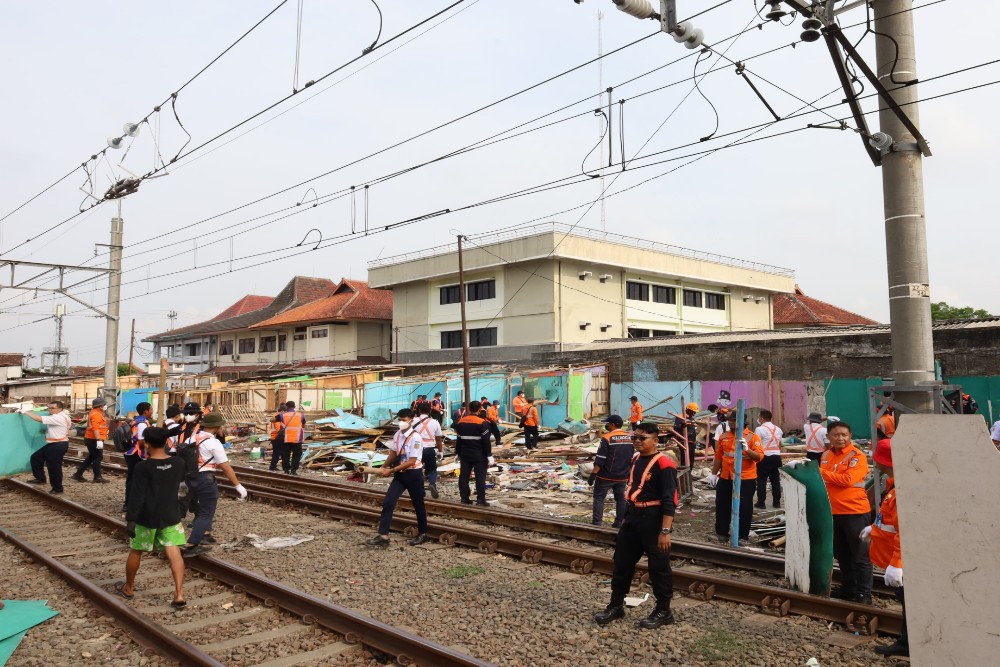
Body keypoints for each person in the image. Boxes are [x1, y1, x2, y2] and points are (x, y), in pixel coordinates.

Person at [593, 422, 677, 629]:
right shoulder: (636, 459)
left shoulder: (664, 464)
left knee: (658, 567)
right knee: (622, 562)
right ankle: (616, 605)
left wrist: (665, 531)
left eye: (642, 438)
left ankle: (664, 610)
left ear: (656, 441)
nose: (637, 441)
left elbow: (670, 500)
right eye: (635, 438)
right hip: (633, 516)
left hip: (654, 518)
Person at [118, 427, 187, 607]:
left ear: (146, 444)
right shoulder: (178, 462)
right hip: (171, 514)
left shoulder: (143, 466)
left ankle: (129, 587)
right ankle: (179, 594)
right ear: (165, 442)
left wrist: (131, 519)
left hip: (146, 517)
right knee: (174, 553)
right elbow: (183, 487)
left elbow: (137, 494)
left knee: (136, 551)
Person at [818, 420, 873, 604]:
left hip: (854, 511)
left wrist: (820, 473)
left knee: (860, 555)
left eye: (844, 435)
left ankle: (864, 593)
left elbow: (847, 479)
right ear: (829, 437)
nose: (840, 438)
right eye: (836, 435)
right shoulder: (826, 455)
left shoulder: (857, 456)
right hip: (833, 512)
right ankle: (849, 588)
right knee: (841, 553)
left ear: (850, 436)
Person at [862, 438, 908, 657]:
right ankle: (907, 642)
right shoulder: (895, 485)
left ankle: (909, 644)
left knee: (911, 603)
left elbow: (905, 530)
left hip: (901, 562)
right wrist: (875, 529)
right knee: (907, 602)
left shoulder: (900, 491)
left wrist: (897, 564)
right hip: (894, 557)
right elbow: (891, 521)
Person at [180, 411, 247, 557]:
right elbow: (225, 466)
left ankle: (205, 535)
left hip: (190, 479)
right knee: (206, 512)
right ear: (217, 427)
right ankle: (192, 544)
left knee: (200, 508)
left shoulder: (191, 438)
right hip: (205, 479)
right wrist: (237, 485)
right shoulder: (213, 443)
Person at [367, 409, 429, 547]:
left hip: (413, 475)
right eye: (399, 419)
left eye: (404, 419)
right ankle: (383, 536)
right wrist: (383, 467)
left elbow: (412, 461)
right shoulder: (398, 434)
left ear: (411, 420)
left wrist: (391, 470)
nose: (401, 422)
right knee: (388, 502)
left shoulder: (416, 438)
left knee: (418, 505)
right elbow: (395, 452)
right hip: (400, 475)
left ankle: (423, 533)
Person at [712, 410, 764, 544]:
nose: (730, 422)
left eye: (733, 420)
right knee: (722, 505)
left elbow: (759, 457)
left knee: (744, 507)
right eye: (729, 420)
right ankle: (722, 533)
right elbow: (718, 457)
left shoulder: (752, 437)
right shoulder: (724, 436)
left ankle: (742, 536)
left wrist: (747, 449)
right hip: (726, 476)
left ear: (742, 422)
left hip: (745, 478)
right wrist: (713, 474)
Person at [589, 415, 634, 528]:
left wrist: (593, 474)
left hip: (606, 476)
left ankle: (597, 523)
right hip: (622, 477)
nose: (606, 425)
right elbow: (630, 458)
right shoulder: (629, 438)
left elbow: (600, 459)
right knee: (620, 499)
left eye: (607, 423)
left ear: (613, 424)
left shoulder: (607, 438)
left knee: (599, 498)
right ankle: (618, 523)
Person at [22, 400, 73, 495]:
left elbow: (39, 419)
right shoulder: (65, 416)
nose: (50, 410)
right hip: (54, 443)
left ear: (60, 409)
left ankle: (57, 488)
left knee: (54, 467)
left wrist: (26, 412)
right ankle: (40, 478)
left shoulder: (57, 418)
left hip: (57, 445)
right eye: (49, 408)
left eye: (53, 408)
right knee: (36, 458)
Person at [455, 400, 492, 506]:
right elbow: (486, 441)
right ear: (480, 409)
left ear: (469, 409)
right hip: (479, 454)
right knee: (480, 477)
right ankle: (480, 500)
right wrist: (489, 455)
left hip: (465, 454)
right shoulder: (482, 423)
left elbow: (459, 439)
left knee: (464, 476)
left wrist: (457, 453)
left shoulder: (461, 422)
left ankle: (464, 498)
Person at [123, 402, 153, 511]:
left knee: (132, 478)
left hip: (132, 453)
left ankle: (129, 502)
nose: (152, 411)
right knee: (134, 479)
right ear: (146, 411)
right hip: (137, 454)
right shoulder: (142, 424)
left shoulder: (137, 420)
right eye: (151, 409)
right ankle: (129, 503)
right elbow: (141, 441)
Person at [73, 397, 110, 483]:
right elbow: (95, 428)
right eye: (104, 405)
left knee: (92, 457)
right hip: (94, 439)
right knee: (97, 457)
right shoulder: (96, 414)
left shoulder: (95, 413)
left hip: (91, 438)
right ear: (100, 406)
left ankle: (78, 474)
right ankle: (97, 477)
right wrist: (99, 440)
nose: (105, 406)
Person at [413, 402, 444, 499]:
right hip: (429, 449)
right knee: (432, 469)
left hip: (416, 449)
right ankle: (432, 483)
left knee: (417, 469)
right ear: (430, 411)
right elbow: (438, 439)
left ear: (419, 410)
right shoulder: (435, 422)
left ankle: (420, 488)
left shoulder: (413, 421)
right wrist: (440, 451)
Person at [754, 409, 783, 509]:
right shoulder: (778, 429)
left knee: (762, 480)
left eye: (759, 417)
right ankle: (777, 502)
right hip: (776, 457)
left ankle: (761, 503)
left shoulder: (759, 429)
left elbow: (756, 444)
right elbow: (780, 444)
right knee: (775, 481)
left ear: (761, 419)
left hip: (764, 457)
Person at [668, 402, 699, 469]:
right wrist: (682, 425)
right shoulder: (681, 417)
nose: (695, 413)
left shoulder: (690, 417)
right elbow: (676, 427)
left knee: (691, 459)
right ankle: (684, 473)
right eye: (693, 411)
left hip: (691, 441)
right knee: (685, 459)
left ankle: (689, 473)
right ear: (689, 410)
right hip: (684, 441)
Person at [279, 401, 306, 475]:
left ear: (286, 407)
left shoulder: (283, 415)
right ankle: (293, 470)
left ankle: (286, 470)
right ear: (294, 407)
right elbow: (303, 426)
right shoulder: (301, 415)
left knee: (285, 455)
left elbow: (273, 420)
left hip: (286, 439)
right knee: (296, 455)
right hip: (297, 439)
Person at [268, 404, 286, 471]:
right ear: (283, 410)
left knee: (277, 452)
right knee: (278, 453)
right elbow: (279, 429)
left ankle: (273, 466)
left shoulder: (275, 415)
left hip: (274, 437)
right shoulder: (278, 417)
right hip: (276, 437)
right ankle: (273, 467)